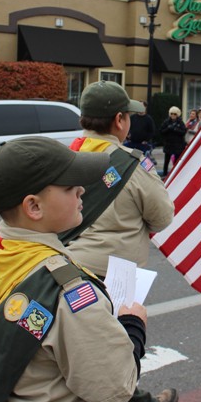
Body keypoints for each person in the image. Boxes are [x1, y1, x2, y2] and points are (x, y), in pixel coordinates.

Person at [0, 136, 177, 402]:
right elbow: (115, 389)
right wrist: (134, 326)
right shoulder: (70, 289)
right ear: (34, 206)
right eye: (70, 186)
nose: (82, 191)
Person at [63, 81, 175, 278]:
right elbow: (162, 218)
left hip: (64, 265)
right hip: (113, 274)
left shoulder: (64, 157)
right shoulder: (133, 164)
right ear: (119, 120)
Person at [159, 106, 187, 177]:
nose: (173, 115)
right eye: (171, 114)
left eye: (175, 114)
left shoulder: (180, 122)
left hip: (178, 145)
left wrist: (176, 129)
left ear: (177, 114)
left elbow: (183, 132)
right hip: (168, 144)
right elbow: (161, 131)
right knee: (166, 161)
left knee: (176, 161)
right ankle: (165, 174)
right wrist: (168, 128)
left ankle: (176, 174)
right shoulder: (166, 121)